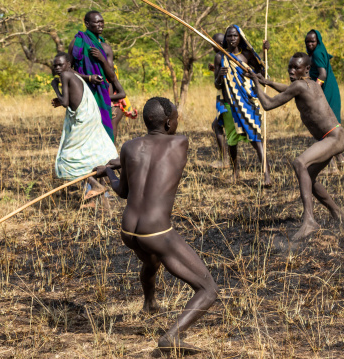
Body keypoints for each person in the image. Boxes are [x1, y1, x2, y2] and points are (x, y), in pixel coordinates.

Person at [93, 97, 218, 354]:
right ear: (170, 122)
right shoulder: (180, 142)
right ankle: (171, 337)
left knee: (151, 261)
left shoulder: (129, 147)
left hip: (128, 230)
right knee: (208, 290)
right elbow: (159, 155)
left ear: (143, 120)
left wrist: (110, 171)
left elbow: (123, 191)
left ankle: (149, 304)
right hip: (156, 231)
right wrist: (115, 166)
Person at [245, 52, 344, 241]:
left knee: (300, 163)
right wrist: (267, 82)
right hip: (336, 135)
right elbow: (288, 89)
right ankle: (337, 213)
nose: (292, 71)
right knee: (308, 176)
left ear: (307, 69)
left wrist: (256, 84)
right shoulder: (310, 84)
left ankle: (309, 221)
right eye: (290, 67)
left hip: (333, 137)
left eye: (296, 68)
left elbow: (267, 104)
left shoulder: (300, 85)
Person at [50, 52, 118, 198]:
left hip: (83, 120)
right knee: (86, 154)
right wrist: (60, 98)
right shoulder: (73, 75)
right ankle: (96, 196)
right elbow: (69, 99)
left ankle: (96, 185)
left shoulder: (65, 75)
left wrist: (55, 87)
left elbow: (65, 102)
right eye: (55, 65)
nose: (57, 68)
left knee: (67, 158)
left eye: (60, 64)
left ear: (68, 64)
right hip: (90, 117)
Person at [214, 25, 271, 185]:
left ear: (240, 37)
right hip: (229, 104)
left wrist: (265, 53)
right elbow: (217, 85)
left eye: (235, 36)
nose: (232, 39)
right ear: (226, 38)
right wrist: (220, 75)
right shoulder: (220, 57)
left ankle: (267, 175)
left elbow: (262, 73)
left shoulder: (246, 55)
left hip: (246, 102)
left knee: (256, 137)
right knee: (232, 141)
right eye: (229, 36)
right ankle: (235, 172)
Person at [68, 10, 120, 142]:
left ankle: (107, 160)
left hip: (102, 94)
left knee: (104, 132)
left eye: (102, 22)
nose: (101, 25)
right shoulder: (77, 43)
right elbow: (67, 69)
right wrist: (88, 78)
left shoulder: (106, 48)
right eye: (97, 22)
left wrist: (102, 59)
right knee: (83, 133)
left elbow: (112, 77)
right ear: (87, 23)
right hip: (83, 93)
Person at [305, 29, 344, 164]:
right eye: (308, 41)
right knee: (333, 127)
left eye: (313, 41)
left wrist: (314, 89)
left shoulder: (317, 53)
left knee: (327, 128)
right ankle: (341, 160)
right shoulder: (316, 52)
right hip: (329, 90)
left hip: (326, 92)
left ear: (318, 41)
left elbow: (322, 74)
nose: (310, 44)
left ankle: (333, 163)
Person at [209, 32, 230, 168]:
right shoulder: (233, 55)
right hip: (232, 100)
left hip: (229, 100)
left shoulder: (220, 56)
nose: (212, 47)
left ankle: (225, 161)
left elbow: (218, 83)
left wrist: (218, 75)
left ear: (220, 44)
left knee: (217, 126)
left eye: (213, 43)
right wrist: (215, 71)